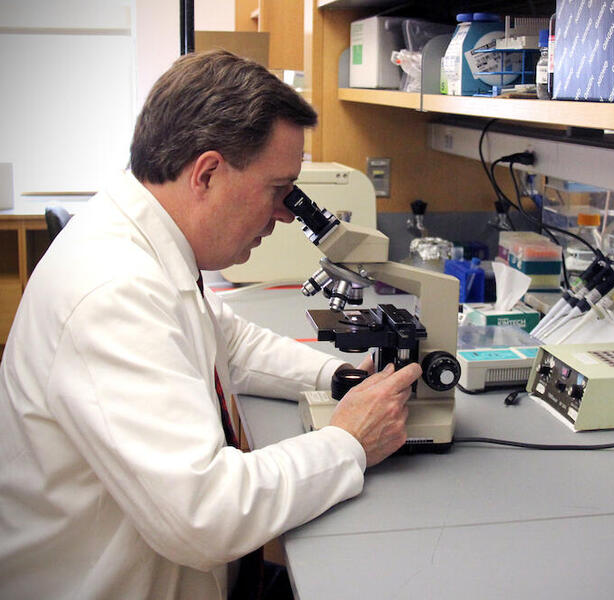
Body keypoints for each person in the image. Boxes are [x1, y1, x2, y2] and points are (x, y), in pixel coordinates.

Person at [0, 49, 421, 600]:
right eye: (279, 190)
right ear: (207, 173)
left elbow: (231, 343)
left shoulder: (144, 240)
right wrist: (349, 441)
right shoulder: (113, 289)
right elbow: (206, 515)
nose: (288, 214)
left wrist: (340, 378)